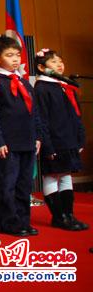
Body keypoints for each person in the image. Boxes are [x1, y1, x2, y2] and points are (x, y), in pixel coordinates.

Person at [0, 35, 42, 236]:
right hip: (7, 142)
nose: (15, 59)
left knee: (24, 184)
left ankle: (23, 220)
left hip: (27, 140)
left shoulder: (24, 83)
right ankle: (8, 222)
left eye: (17, 55)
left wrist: (37, 137)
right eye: (9, 55)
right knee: (6, 184)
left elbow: (34, 112)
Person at [34, 48, 87, 231]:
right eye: (54, 62)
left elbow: (75, 115)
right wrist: (47, 145)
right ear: (41, 67)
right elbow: (41, 118)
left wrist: (80, 138)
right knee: (52, 176)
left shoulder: (64, 85)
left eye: (60, 61)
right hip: (54, 141)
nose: (59, 65)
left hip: (69, 140)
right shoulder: (41, 88)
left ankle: (68, 214)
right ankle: (58, 216)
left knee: (66, 175)